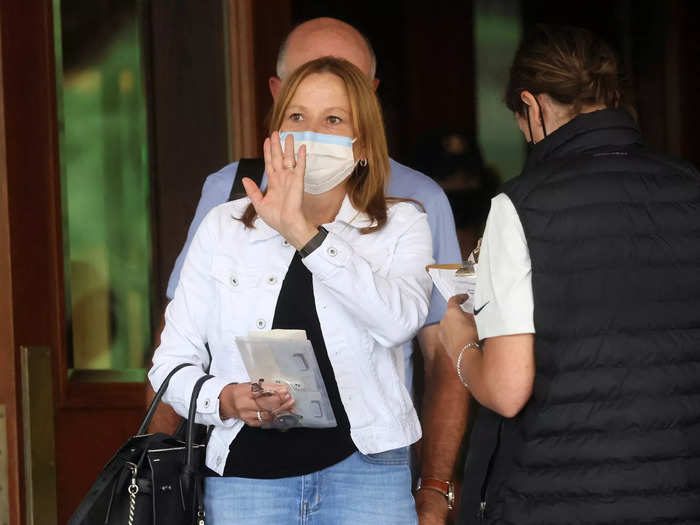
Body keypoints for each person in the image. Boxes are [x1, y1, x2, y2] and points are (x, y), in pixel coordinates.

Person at [150, 17, 468, 524]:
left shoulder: (404, 221)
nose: (311, 135)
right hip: (245, 481)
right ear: (275, 130)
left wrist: (305, 234)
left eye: (333, 121)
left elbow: (399, 321)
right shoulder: (223, 225)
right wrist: (226, 400)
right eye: (296, 116)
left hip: (367, 473)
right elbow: (169, 364)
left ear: (363, 144)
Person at [438, 24, 700, 524]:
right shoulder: (690, 187)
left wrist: (461, 346)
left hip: (553, 498)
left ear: (532, 106)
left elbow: (508, 388)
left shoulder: (520, 205)